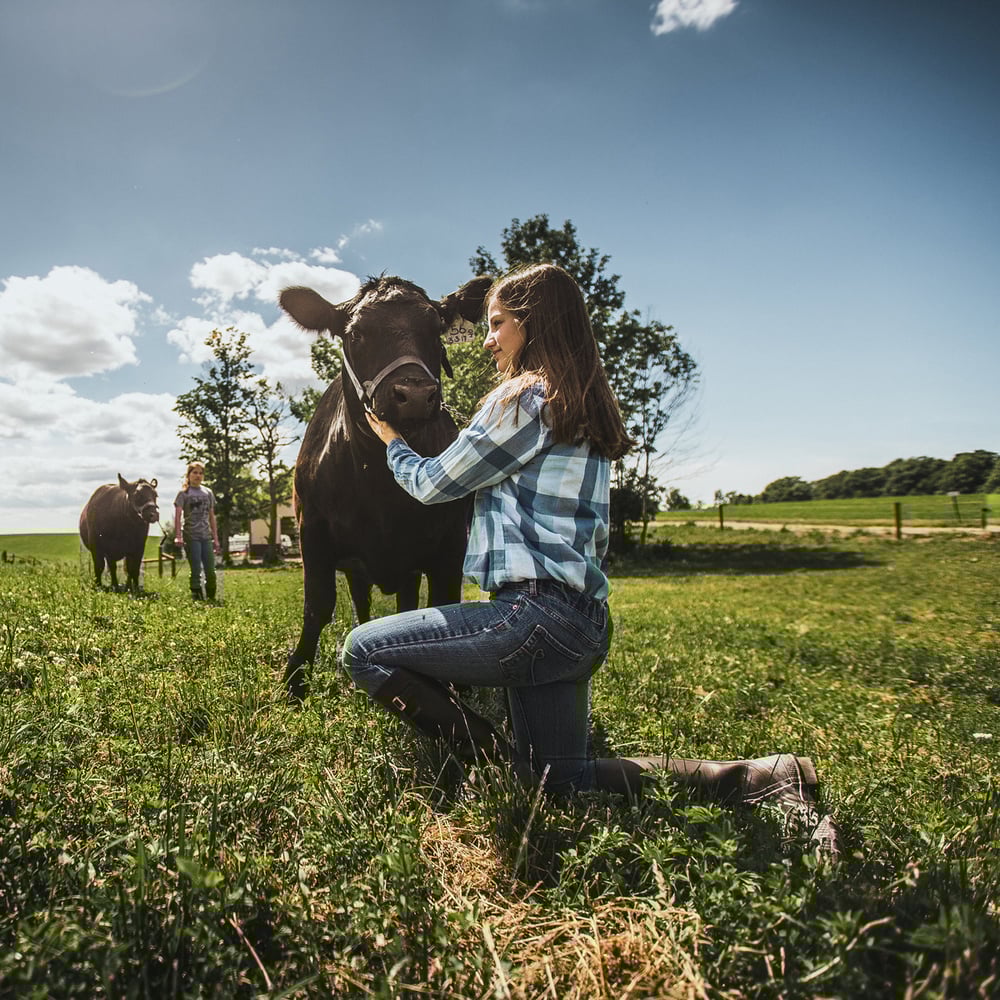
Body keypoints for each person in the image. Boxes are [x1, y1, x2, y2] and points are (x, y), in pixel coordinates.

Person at [344, 263, 839, 858]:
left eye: (498, 323)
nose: (487, 338)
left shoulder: (522, 397)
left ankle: (491, 763)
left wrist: (391, 441)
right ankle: (766, 777)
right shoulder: (579, 404)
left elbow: (432, 483)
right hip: (580, 623)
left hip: (529, 618)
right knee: (564, 780)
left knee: (364, 650)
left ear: (533, 323)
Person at [173, 461, 221, 602]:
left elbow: (212, 517)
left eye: (200, 473)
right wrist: (178, 536)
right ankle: (197, 597)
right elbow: (177, 517)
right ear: (188, 475)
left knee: (211, 570)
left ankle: (211, 596)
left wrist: (216, 539)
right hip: (191, 536)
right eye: (195, 472)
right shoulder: (183, 494)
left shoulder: (208, 492)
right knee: (196, 569)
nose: (198, 475)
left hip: (206, 536)